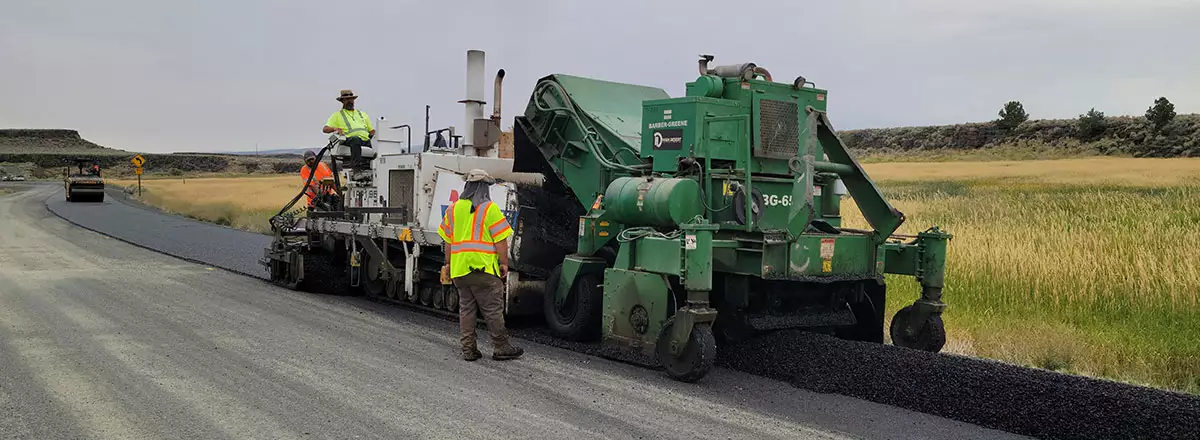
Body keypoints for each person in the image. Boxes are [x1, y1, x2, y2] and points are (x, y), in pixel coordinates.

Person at [437, 169, 524, 362]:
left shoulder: (453, 209)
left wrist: (448, 265)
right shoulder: (489, 208)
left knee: (466, 309)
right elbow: (501, 240)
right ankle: (501, 347)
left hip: (460, 271)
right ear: (484, 188)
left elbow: (448, 242)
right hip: (483, 269)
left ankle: (469, 349)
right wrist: (503, 263)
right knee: (492, 309)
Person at [322, 89, 375, 167]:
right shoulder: (337, 115)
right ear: (342, 101)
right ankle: (356, 168)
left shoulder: (362, 114)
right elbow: (325, 129)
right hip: (349, 141)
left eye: (351, 99)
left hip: (365, 140)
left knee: (379, 144)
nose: (350, 101)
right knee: (355, 139)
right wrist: (335, 129)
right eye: (347, 99)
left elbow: (371, 130)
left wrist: (378, 135)